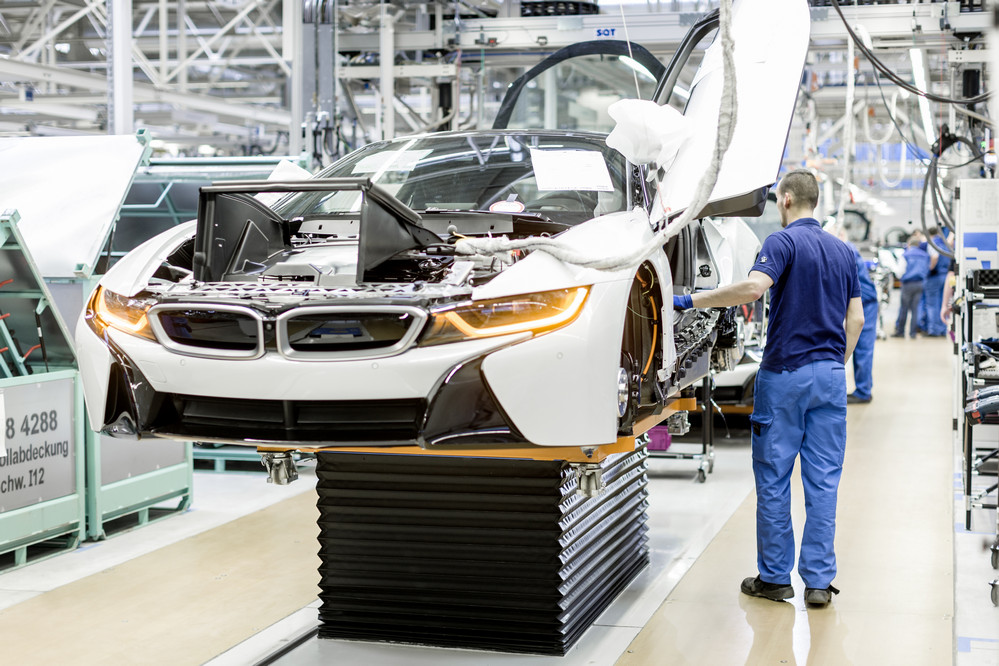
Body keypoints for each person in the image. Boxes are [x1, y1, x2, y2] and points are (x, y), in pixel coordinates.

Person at [673, 170, 864, 607]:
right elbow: (855, 319)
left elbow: (754, 288)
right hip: (830, 377)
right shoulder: (844, 251)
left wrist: (690, 300)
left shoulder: (782, 242)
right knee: (824, 481)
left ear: (787, 200)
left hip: (785, 377)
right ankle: (818, 583)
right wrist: (836, 363)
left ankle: (775, 578)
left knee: (775, 478)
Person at [848, 243, 878, 404]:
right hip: (861, 302)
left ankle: (863, 391)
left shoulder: (847, 251)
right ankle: (863, 389)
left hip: (866, 304)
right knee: (861, 349)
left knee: (862, 349)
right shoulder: (846, 249)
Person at [893, 233, 930, 338]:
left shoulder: (905, 255)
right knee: (915, 309)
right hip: (920, 284)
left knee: (904, 308)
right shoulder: (925, 255)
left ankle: (900, 331)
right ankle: (913, 333)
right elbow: (927, 269)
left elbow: (900, 271)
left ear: (909, 244)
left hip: (907, 284)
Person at [917, 227, 952, 337]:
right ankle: (943, 329)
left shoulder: (932, 243)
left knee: (932, 304)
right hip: (945, 276)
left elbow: (934, 256)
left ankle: (934, 330)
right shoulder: (945, 243)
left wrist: (929, 269)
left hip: (934, 276)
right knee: (942, 303)